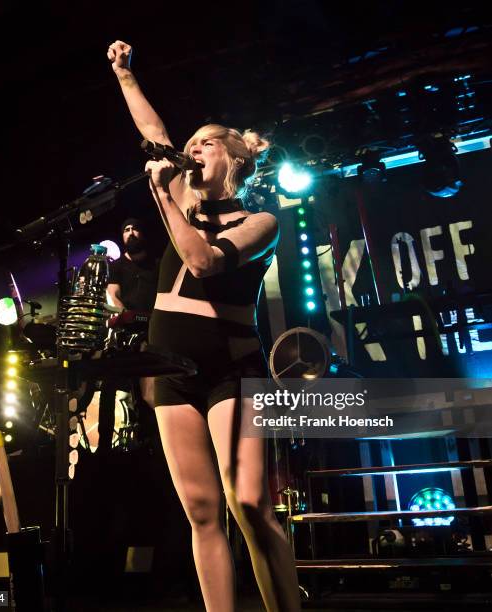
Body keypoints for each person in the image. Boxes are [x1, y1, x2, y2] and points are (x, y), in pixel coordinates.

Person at [107, 41, 300, 611]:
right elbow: (153, 129)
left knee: (248, 502)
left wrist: (163, 196)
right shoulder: (180, 193)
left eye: (206, 143)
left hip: (231, 371)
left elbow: (203, 261)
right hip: (169, 370)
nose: (191, 150)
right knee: (200, 510)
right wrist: (125, 76)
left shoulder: (262, 222)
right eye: (188, 145)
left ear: (236, 157)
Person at [106, 217, 159, 313]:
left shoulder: (156, 264)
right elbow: (113, 295)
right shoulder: (115, 266)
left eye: (135, 229)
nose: (131, 233)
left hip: (154, 322)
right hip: (126, 322)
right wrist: (126, 318)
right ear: (123, 236)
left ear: (142, 234)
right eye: (127, 230)